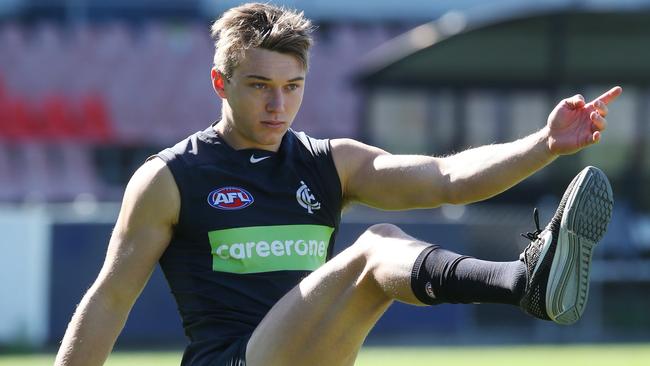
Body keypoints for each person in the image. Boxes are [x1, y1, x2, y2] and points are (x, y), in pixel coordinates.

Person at [54, 3, 622, 366]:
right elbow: (110, 298)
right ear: (219, 82)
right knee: (376, 245)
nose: (279, 105)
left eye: (293, 86)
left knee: (379, 257)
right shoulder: (169, 177)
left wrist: (544, 145)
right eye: (259, 86)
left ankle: (528, 282)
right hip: (232, 361)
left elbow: (446, 180)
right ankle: (522, 281)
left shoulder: (330, 163)